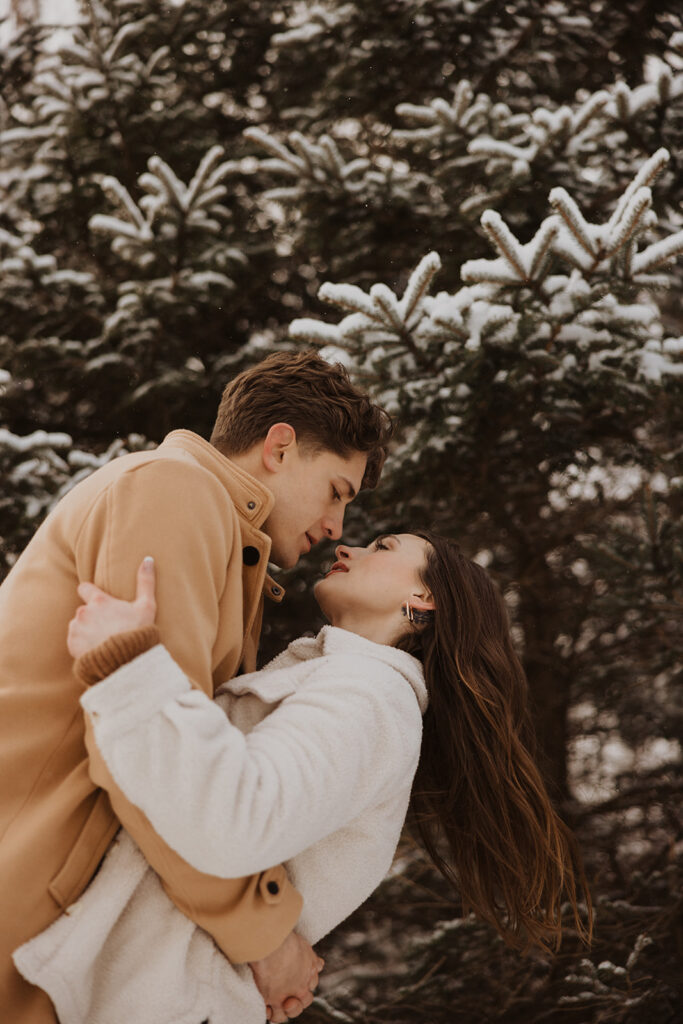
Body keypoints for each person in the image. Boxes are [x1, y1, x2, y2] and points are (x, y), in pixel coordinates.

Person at [15, 532, 593, 1023]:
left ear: (424, 597)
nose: (347, 544)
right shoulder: (343, 682)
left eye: (383, 546)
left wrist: (127, 665)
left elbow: (235, 818)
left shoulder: (372, 696)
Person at [0, 350, 393, 1022]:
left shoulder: (217, 530)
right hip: (23, 887)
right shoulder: (172, 491)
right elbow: (149, 760)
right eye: (336, 491)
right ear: (279, 446)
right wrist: (264, 936)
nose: (336, 527)